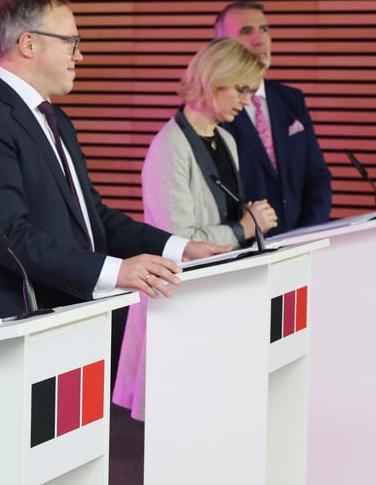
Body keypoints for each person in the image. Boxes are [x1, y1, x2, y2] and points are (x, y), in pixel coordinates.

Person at [0, 0, 228, 329]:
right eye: (71, 42)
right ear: (29, 44)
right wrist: (117, 270)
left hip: (65, 315)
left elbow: (94, 219)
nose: (80, 56)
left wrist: (181, 248)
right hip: (8, 322)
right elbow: (9, 237)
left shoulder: (56, 120)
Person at [112, 38, 278, 420]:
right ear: (212, 80)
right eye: (241, 89)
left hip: (214, 293)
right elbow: (176, 240)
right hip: (178, 300)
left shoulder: (227, 140)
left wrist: (245, 224)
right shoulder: (169, 148)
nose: (247, 100)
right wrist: (243, 229)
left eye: (251, 92)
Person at [214, 0, 332, 234]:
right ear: (222, 45)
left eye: (265, 29)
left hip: (300, 243)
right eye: (246, 31)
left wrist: (306, 235)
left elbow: (317, 178)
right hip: (243, 250)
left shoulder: (292, 100)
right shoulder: (214, 109)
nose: (260, 40)